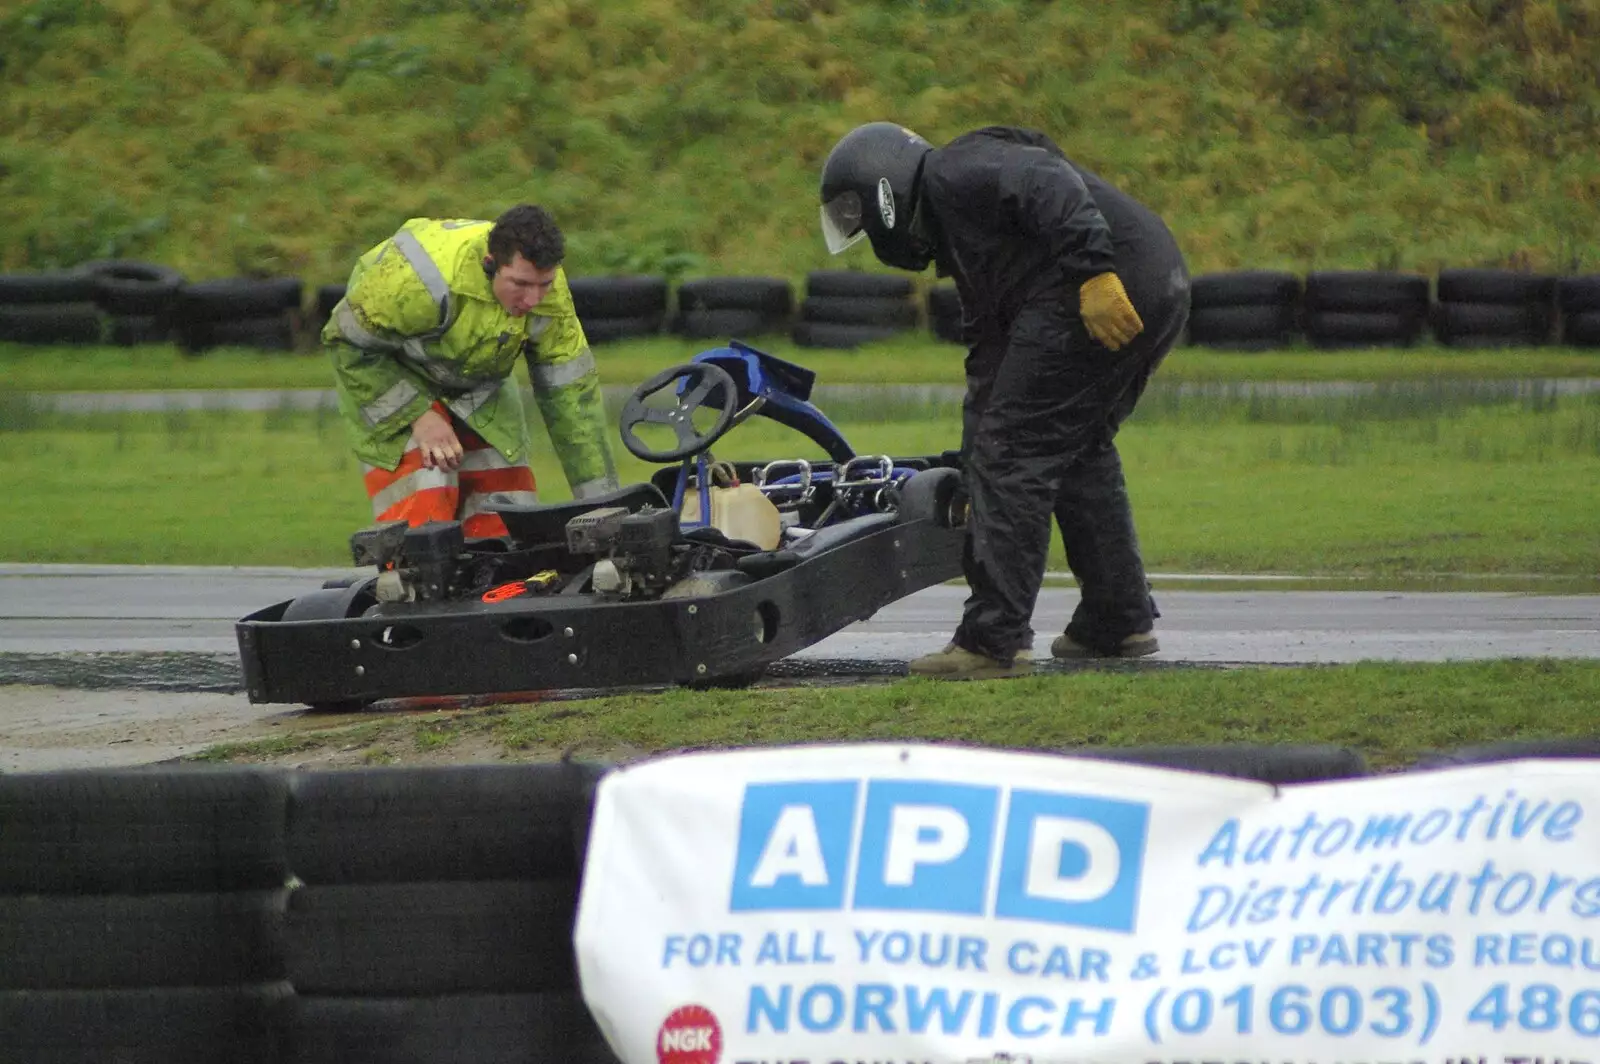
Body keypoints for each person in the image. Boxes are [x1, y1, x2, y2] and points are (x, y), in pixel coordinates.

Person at [818, 122, 1190, 680]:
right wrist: (975, 469)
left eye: (860, 216)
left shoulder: (953, 173)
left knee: (1015, 451)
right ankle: (1117, 620)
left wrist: (1093, 273)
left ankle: (992, 641)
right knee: (1074, 447)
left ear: (883, 188)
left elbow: (1049, 180)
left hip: (1107, 279)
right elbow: (988, 370)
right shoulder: (971, 240)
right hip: (1157, 276)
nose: (868, 234)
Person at [324, 204, 618, 540]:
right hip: (392, 379)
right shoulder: (414, 281)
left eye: (544, 284)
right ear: (489, 264)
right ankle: (413, 587)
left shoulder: (551, 296)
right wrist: (419, 416)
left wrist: (602, 509)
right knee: (424, 528)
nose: (533, 299)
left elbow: (572, 399)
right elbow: (345, 343)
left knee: (510, 521)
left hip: (477, 385)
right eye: (520, 284)